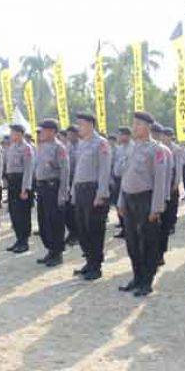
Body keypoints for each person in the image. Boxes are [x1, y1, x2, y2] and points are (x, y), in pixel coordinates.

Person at [117, 111, 167, 297]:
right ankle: (137, 276)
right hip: (129, 199)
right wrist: (121, 201)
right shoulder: (130, 148)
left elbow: (160, 181)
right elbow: (125, 177)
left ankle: (147, 281)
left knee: (148, 241)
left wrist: (156, 208)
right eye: (134, 123)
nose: (134, 127)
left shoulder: (156, 150)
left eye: (138, 124)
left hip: (146, 199)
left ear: (147, 127)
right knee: (132, 241)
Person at [71, 113, 112, 281]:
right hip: (81, 190)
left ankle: (96, 266)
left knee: (94, 229)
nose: (79, 127)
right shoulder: (82, 144)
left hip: (93, 190)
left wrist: (101, 194)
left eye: (81, 124)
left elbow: (105, 170)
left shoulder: (101, 143)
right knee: (82, 229)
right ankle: (89, 261)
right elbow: (78, 170)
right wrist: (73, 192)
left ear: (90, 125)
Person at [35, 119, 70, 267]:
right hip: (42, 188)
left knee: (55, 221)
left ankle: (57, 253)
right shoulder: (41, 147)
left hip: (53, 187)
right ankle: (50, 249)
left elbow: (65, 171)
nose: (41, 133)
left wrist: (63, 193)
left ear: (52, 132)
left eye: (43, 130)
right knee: (44, 221)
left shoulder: (59, 147)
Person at [4, 124, 34, 252]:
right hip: (12, 183)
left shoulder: (26, 148)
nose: (11, 135)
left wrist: (25, 189)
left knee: (23, 214)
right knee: (14, 212)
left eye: (13, 133)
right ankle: (18, 239)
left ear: (20, 134)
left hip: (21, 182)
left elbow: (28, 170)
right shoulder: (12, 147)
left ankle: (24, 242)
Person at [160, 127, 182, 264]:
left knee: (170, 210)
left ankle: (171, 224)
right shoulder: (159, 148)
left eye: (167, 135)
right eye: (164, 135)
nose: (164, 138)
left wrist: (176, 182)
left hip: (171, 182)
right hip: (160, 184)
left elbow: (178, 167)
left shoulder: (176, 149)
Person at [111, 126, 132, 238]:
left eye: (120, 134)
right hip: (117, 180)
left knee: (127, 206)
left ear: (126, 135)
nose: (118, 137)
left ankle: (129, 228)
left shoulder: (132, 148)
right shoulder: (119, 149)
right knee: (118, 205)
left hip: (127, 180)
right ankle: (124, 227)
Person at [64, 125, 80, 245]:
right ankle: (72, 232)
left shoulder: (81, 146)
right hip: (68, 180)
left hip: (78, 181)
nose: (68, 136)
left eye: (70, 134)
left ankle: (77, 234)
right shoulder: (67, 146)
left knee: (76, 210)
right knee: (68, 210)